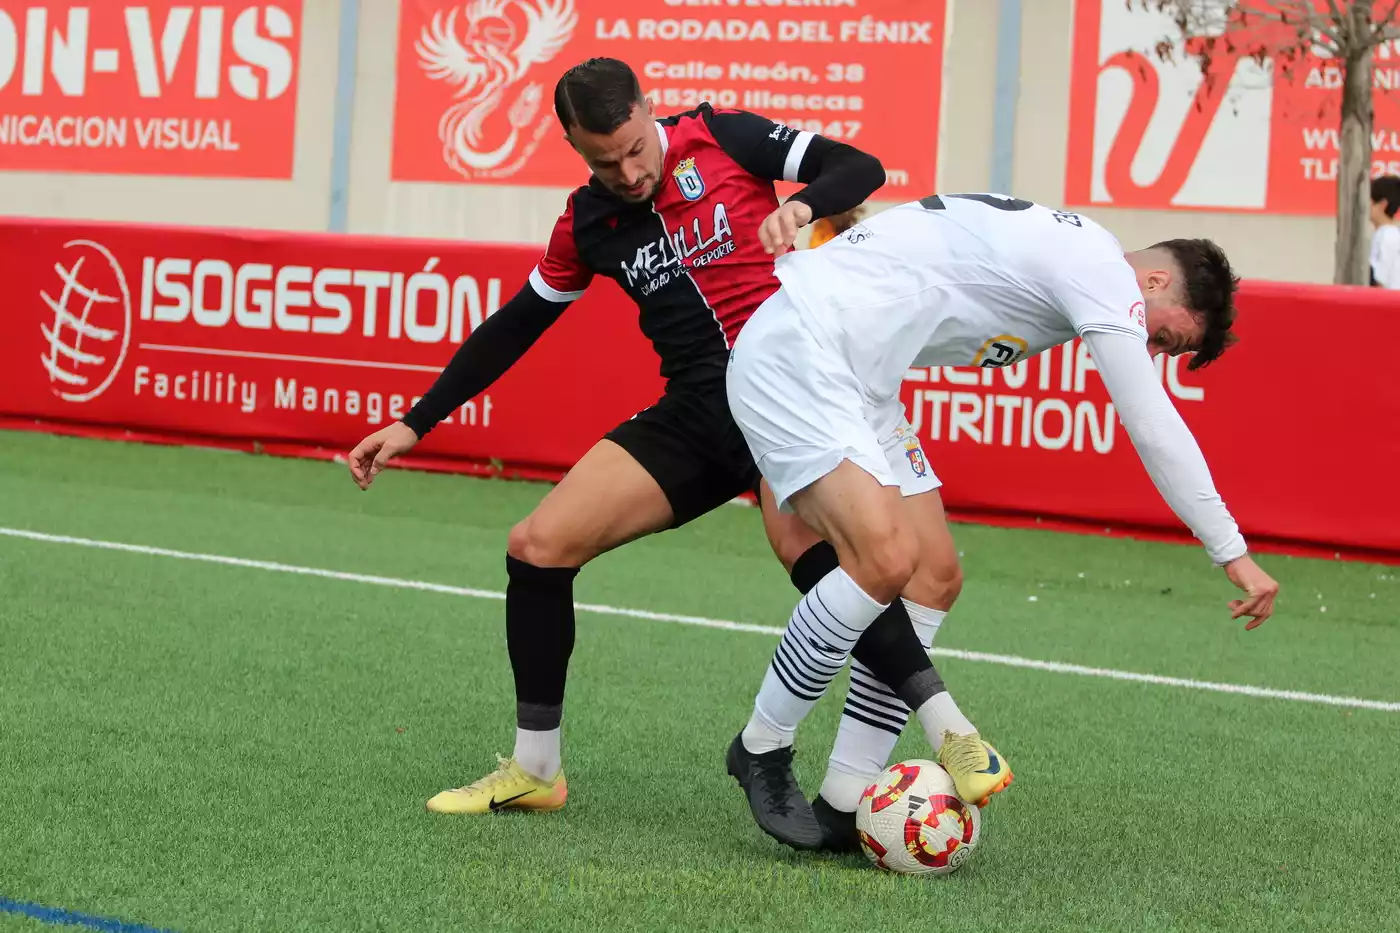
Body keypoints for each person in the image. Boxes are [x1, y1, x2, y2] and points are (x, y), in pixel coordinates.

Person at [347, 59, 982, 851]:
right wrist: (417, 420)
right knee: (536, 549)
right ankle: (537, 768)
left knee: (820, 552)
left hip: (790, 391)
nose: (629, 170)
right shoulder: (586, 224)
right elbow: (516, 324)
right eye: (604, 161)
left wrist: (804, 207)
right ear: (574, 146)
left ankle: (931, 723)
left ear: (650, 113)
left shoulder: (721, 137)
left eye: (636, 148)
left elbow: (857, 166)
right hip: (696, 411)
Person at [723, 193, 1280, 850]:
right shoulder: (1099, 266)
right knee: (883, 559)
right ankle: (763, 743)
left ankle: (846, 799)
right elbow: (1153, 424)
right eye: (1164, 336)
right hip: (804, 350)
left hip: (859, 379)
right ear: (1155, 281)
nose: (1148, 346)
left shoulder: (1071, 249)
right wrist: (1231, 551)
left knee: (933, 576)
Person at [1369, 175, 1400, 289]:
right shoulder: (1386, 234)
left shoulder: (1387, 236)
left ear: (1382, 204)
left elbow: (1380, 281)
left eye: (1369, 200)